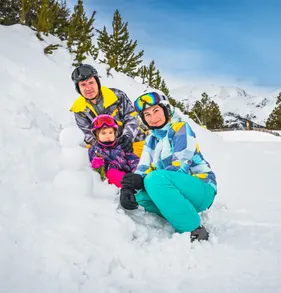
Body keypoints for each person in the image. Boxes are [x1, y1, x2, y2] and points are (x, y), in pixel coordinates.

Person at [120, 92, 217, 242]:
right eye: (147, 114)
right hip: (172, 189)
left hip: (201, 188)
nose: (153, 118)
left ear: (165, 109)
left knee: (154, 179)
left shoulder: (180, 128)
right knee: (138, 197)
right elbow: (143, 168)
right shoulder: (150, 140)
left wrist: (144, 180)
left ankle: (193, 229)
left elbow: (180, 166)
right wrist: (128, 187)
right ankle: (177, 213)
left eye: (156, 111)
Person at [70, 64, 146, 156]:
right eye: (83, 85)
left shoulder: (116, 96)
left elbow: (132, 117)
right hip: (103, 147)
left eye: (91, 83)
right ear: (78, 88)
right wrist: (103, 147)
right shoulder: (79, 109)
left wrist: (127, 137)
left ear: (97, 83)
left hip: (133, 141)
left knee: (141, 167)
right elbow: (87, 133)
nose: (88, 88)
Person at [88, 114, 140, 188]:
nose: (108, 135)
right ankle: (127, 187)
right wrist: (97, 164)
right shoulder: (95, 149)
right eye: (103, 133)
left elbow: (132, 159)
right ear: (97, 136)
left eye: (111, 132)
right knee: (112, 173)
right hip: (111, 175)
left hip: (128, 173)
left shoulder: (121, 146)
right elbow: (94, 165)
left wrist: (136, 169)